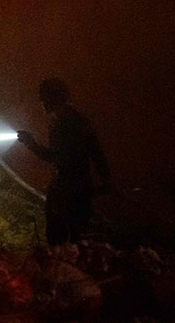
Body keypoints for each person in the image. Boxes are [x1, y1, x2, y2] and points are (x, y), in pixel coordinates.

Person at [18, 78, 111, 245]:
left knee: (57, 238)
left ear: (49, 100)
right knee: (78, 237)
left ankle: (59, 267)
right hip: (82, 187)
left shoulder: (62, 124)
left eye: (43, 99)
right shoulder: (78, 120)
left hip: (65, 189)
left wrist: (31, 144)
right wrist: (106, 179)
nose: (42, 104)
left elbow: (55, 157)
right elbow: (96, 151)